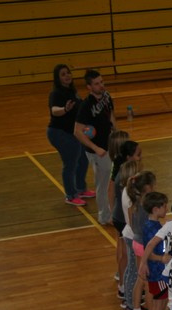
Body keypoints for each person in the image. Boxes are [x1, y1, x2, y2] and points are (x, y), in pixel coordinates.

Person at [75, 69, 117, 225]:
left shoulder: (106, 96)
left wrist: (116, 134)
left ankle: (112, 212)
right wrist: (96, 148)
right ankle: (104, 216)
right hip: (97, 151)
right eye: (97, 84)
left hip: (109, 145)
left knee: (111, 182)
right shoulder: (86, 105)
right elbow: (77, 132)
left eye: (102, 82)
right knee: (103, 184)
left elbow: (111, 115)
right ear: (89, 87)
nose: (101, 86)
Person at [46, 64, 92, 206]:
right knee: (70, 163)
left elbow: (81, 107)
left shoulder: (72, 91)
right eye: (63, 74)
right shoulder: (56, 94)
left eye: (68, 73)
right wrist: (65, 109)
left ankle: (80, 188)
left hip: (73, 132)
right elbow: (54, 110)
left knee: (83, 159)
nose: (67, 76)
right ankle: (71, 195)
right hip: (59, 133)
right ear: (58, 78)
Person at [142, 191, 172, 310]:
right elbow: (148, 252)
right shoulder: (152, 228)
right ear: (156, 209)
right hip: (157, 273)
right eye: (164, 206)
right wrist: (162, 258)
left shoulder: (153, 225)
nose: (166, 208)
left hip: (158, 272)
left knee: (160, 303)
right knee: (160, 304)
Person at [109, 135, 139, 303]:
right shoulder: (128, 184)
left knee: (123, 251)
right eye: (137, 154)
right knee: (126, 256)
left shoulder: (120, 172)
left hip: (119, 217)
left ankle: (122, 282)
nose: (140, 158)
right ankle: (123, 287)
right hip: (123, 220)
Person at [125, 170, 156, 310]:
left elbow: (131, 223)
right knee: (149, 283)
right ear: (148, 187)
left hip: (136, 242)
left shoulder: (135, 202)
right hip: (145, 245)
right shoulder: (147, 205)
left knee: (140, 278)